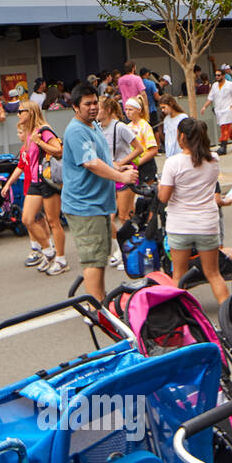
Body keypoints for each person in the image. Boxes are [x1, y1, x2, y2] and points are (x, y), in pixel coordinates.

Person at [63, 83, 138, 301]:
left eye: (95, 102)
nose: (93, 107)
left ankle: (99, 299)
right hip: (85, 206)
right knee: (93, 260)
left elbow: (101, 158)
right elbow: (91, 163)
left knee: (100, 257)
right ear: (76, 107)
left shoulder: (92, 125)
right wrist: (122, 177)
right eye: (87, 104)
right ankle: (96, 308)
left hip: (98, 204)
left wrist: (116, 167)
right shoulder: (76, 130)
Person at [158, 118, 227, 304]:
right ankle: (229, 317)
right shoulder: (213, 160)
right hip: (207, 224)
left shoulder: (173, 163)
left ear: (181, 137)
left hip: (180, 225)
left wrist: (160, 186)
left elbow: (163, 197)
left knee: (178, 275)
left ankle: (177, 317)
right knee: (213, 274)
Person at [1, 101, 67, 276]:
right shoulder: (30, 132)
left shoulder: (44, 130)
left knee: (53, 221)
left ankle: (61, 259)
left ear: (30, 113)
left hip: (47, 179)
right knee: (27, 219)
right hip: (35, 182)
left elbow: (58, 151)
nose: (18, 114)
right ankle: (48, 250)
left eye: (21, 111)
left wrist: (39, 142)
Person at [98, 94, 142, 268]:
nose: (95, 110)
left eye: (99, 107)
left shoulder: (120, 127)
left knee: (124, 216)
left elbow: (139, 148)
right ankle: (120, 248)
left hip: (125, 174)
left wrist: (121, 163)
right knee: (106, 218)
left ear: (108, 110)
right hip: (109, 175)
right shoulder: (97, 128)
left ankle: (129, 251)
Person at [201, 70, 232, 155]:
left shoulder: (230, 85)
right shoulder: (214, 86)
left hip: (228, 109)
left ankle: (223, 146)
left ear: (223, 75)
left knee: (224, 127)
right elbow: (210, 98)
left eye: (219, 75)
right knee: (227, 127)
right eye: (216, 75)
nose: (217, 77)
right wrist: (204, 107)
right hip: (218, 110)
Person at [122, 96, 158, 183]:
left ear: (139, 110)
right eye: (126, 109)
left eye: (130, 109)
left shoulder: (144, 126)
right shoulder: (127, 126)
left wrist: (139, 162)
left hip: (146, 165)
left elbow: (153, 150)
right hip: (133, 165)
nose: (127, 112)